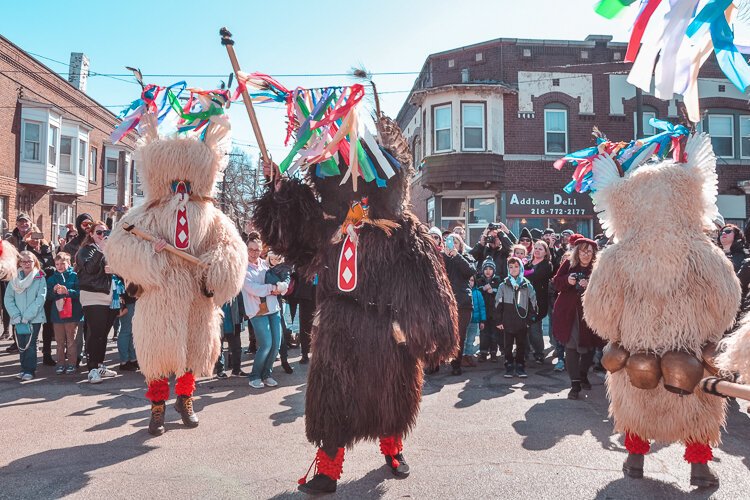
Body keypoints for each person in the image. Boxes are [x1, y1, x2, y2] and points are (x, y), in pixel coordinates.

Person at [552, 237, 602, 400]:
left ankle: (582, 375)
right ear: (577, 251)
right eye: (582, 250)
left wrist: (590, 285)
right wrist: (568, 280)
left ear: (594, 253)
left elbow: (606, 288)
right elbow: (556, 283)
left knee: (589, 347)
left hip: (590, 313)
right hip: (570, 313)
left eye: (589, 251)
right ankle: (575, 385)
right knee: (571, 347)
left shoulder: (599, 268)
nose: (585, 254)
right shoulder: (569, 264)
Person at [242, 234, 288, 389]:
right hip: (257, 311)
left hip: (273, 309)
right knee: (266, 344)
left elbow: (282, 278)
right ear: (246, 249)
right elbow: (253, 289)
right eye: (250, 249)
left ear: (261, 250)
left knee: (276, 344)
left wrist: (282, 287)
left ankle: (267, 374)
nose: (253, 253)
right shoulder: (242, 268)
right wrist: (273, 289)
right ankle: (255, 375)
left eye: (256, 249)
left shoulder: (267, 264)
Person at [76, 221, 118, 384]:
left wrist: (114, 269)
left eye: (105, 232)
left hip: (110, 295)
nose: (102, 236)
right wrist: (101, 249)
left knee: (103, 334)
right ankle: (92, 368)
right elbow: (90, 269)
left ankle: (99, 364)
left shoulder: (111, 250)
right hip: (93, 294)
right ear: (91, 234)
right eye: (99, 232)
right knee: (95, 333)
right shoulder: (86, 250)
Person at [5, 251, 47, 381]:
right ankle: (23, 369)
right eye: (24, 261)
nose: (27, 263)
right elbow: (8, 298)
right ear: (20, 263)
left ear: (34, 262)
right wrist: (16, 315)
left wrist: (27, 316)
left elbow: (40, 299)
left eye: (30, 261)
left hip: (33, 318)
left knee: (31, 344)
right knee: (21, 344)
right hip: (18, 318)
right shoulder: (14, 278)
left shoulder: (40, 277)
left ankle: (30, 370)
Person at [495, 256, 537, 378]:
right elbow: (498, 303)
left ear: (521, 268)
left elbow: (533, 303)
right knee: (507, 345)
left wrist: (529, 320)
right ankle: (508, 364)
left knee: (521, 344)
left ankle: (520, 365)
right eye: (511, 267)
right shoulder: (503, 285)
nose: (513, 269)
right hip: (507, 321)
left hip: (522, 322)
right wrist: (499, 320)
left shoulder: (526, 285)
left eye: (516, 267)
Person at [442, 233, 476, 375]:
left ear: (461, 245)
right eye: (450, 242)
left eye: (456, 242)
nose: (452, 245)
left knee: (460, 335)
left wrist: (456, 256)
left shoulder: (466, 257)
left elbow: (470, 271)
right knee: (442, 333)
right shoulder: (442, 257)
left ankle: (456, 364)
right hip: (444, 302)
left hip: (462, 303)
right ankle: (436, 362)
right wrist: (444, 255)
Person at [25, 227, 56, 367]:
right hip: (33, 293)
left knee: (48, 325)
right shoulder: (25, 252)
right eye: (31, 236)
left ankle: (47, 354)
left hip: (48, 292)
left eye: (37, 235)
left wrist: (53, 269)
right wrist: (43, 271)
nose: (34, 239)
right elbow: (25, 269)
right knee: (33, 324)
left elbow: (56, 265)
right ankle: (28, 354)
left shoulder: (47, 250)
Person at [47, 252, 83, 374]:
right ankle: (60, 364)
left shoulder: (75, 276)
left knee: (72, 341)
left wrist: (68, 291)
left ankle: (72, 364)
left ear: (69, 263)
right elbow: (48, 297)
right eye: (57, 264)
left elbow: (80, 293)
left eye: (63, 263)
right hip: (57, 316)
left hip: (73, 314)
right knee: (59, 342)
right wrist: (53, 291)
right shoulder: (52, 278)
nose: (60, 266)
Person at [524, 240, 554, 364]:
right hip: (525, 300)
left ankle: (539, 353)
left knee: (535, 328)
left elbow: (536, 276)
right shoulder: (528, 264)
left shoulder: (547, 265)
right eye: (535, 248)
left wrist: (523, 275)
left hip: (539, 301)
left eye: (540, 249)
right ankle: (526, 352)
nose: (537, 250)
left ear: (545, 252)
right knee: (524, 329)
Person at [216, 294, 248, 378]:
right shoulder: (214, 286)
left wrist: (243, 316)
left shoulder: (235, 286)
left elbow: (241, 301)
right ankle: (220, 370)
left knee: (237, 348)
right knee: (218, 348)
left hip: (234, 321)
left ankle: (236, 370)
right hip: (217, 323)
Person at [476, 258, 501, 362]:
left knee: (494, 333)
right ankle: (483, 352)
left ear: (494, 270)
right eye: (486, 269)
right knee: (484, 333)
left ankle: (494, 352)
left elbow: (500, 293)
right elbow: (477, 292)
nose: (488, 271)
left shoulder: (498, 280)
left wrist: (493, 291)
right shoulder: (479, 281)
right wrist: (483, 289)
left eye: (490, 269)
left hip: (494, 312)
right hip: (483, 312)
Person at [463, 275, 485, 367]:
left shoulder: (477, 293)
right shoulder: (462, 292)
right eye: (468, 280)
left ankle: (469, 356)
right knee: (463, 339)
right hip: (464, 321)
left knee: (471, 340)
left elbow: (482, 307)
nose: (470, 282)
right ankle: (462, 356)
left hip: (475, 321)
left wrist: (482, 320)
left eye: (472, 280)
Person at [116, 283, 138, 372]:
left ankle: (132, 359)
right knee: (126, 331)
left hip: (131, 300)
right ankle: (124, 361)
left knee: (132, 332)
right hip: (128, 301)